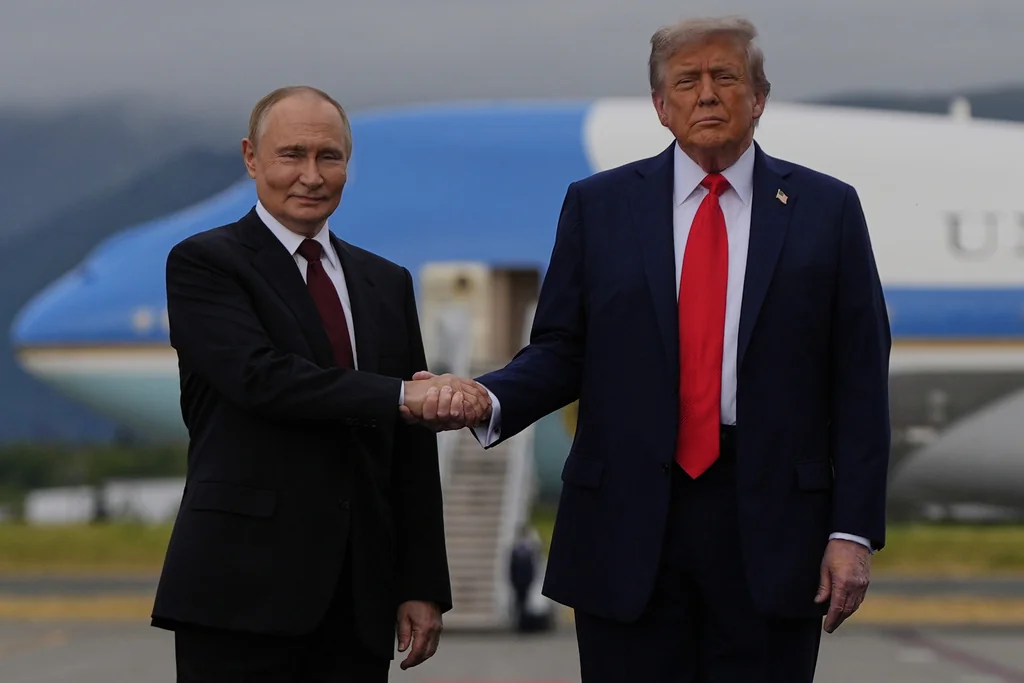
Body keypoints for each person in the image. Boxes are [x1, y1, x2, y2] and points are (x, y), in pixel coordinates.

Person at [403, 15, 891, 683]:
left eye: (726, 76)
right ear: (662, 106)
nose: (708, 94)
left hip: (774, 528)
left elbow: (859, 381)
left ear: (760, 96)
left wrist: (853, 531)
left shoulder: (825, 210)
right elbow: (560, 350)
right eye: (687, 81)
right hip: (626, 522)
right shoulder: (598, 206)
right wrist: (487, 396)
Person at [152, 85, 490, 682]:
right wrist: (398, 396)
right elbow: (261, 379)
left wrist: (421, 583)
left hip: (356, 601)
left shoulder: (385, 282)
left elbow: (407, 452)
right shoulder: (205, 263)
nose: (311, 175)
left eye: (329, 157)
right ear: (251, 158)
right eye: (292, 155)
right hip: (240, 593)